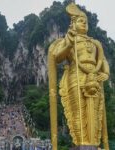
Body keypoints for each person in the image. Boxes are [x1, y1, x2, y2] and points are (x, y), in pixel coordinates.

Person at [48, 3, 109, 150]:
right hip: (76, 76)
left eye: (86, 21)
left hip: (94, 77)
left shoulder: (95, 43)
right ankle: (81, 143)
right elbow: (57, 57)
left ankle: (94, 143)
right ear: (73, 23)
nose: (84, 24)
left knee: (95, 111)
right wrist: (69, 42)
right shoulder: (69, 40)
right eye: (81, 21)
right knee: (78, 111)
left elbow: (103, 61)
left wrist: (105, 73)